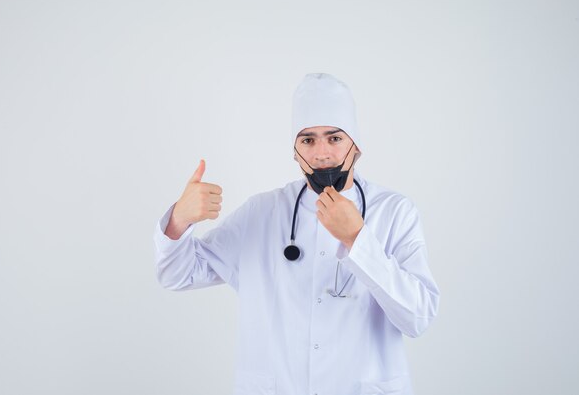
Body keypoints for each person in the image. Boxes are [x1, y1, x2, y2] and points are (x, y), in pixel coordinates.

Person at [154, 73, 440, 395]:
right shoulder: (262, 212)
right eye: (307, 140)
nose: (321, 153)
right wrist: (179, 220)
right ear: (294, 149)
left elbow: (417, 318)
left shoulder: (394, 211)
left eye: (334, 138)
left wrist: (357, 239)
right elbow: (178, 275)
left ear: (356, 144)